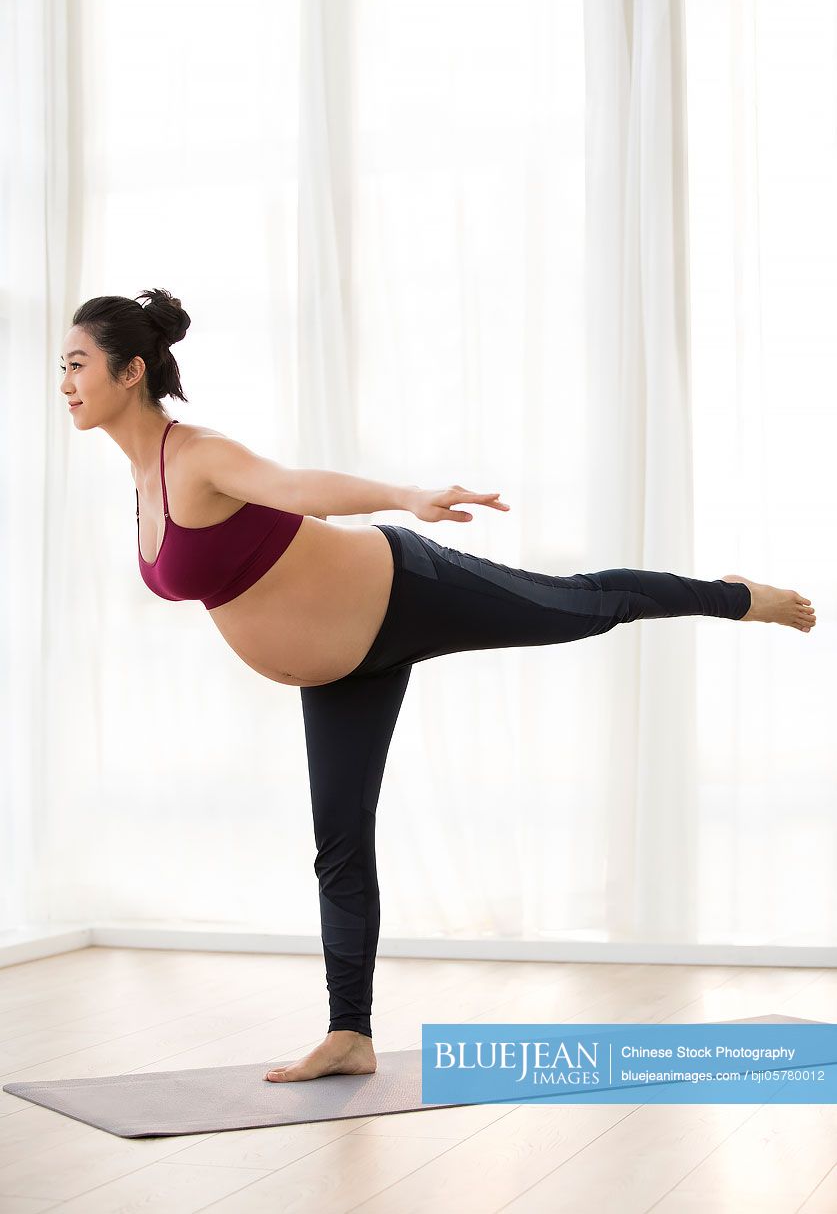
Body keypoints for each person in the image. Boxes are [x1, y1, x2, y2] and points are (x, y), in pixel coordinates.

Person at [60, 288, 817, 1085]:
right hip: (342, 666)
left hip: (405, 587)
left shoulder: (195, 455)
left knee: (585, 604)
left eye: (78, 365)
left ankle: (735, 596)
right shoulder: (140, 481)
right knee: (339, 845)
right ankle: (349, 1033)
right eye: (62, 368)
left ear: (131, 369)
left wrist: (406, 496)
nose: (66, 383)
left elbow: (299, 486)